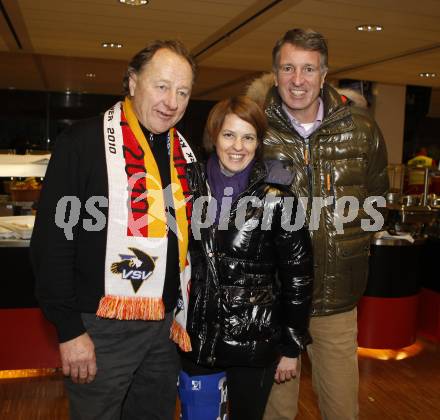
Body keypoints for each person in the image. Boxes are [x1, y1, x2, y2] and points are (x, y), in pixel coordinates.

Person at [30, 40, 197, 420]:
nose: (172, 101)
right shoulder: (83, 142)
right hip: (100, 329)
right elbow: (51, 244)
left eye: (183, 91)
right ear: (133, 81)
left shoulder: (184, 155)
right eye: (162, 86)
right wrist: (69, 331)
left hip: (164, 327)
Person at [248, 28, 389, 420]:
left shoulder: (362, 129)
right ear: (275, 74)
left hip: (336, 302)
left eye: (308, 69)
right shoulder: (255, 130)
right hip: (275, 299)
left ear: (324, 75)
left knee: (342, 410)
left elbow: (378, 199)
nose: (298, 80)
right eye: (288, 68)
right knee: (275, 413)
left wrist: (351, 244)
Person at [178, 96, 314, 420]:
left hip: (254, 344)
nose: (238, 146)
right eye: (229, 135)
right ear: (214, 137)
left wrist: (292, 347)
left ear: (258, 142)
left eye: (248, 137)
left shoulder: (278, 198)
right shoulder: (187, 186)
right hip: (196, 338)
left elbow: (299, 277)